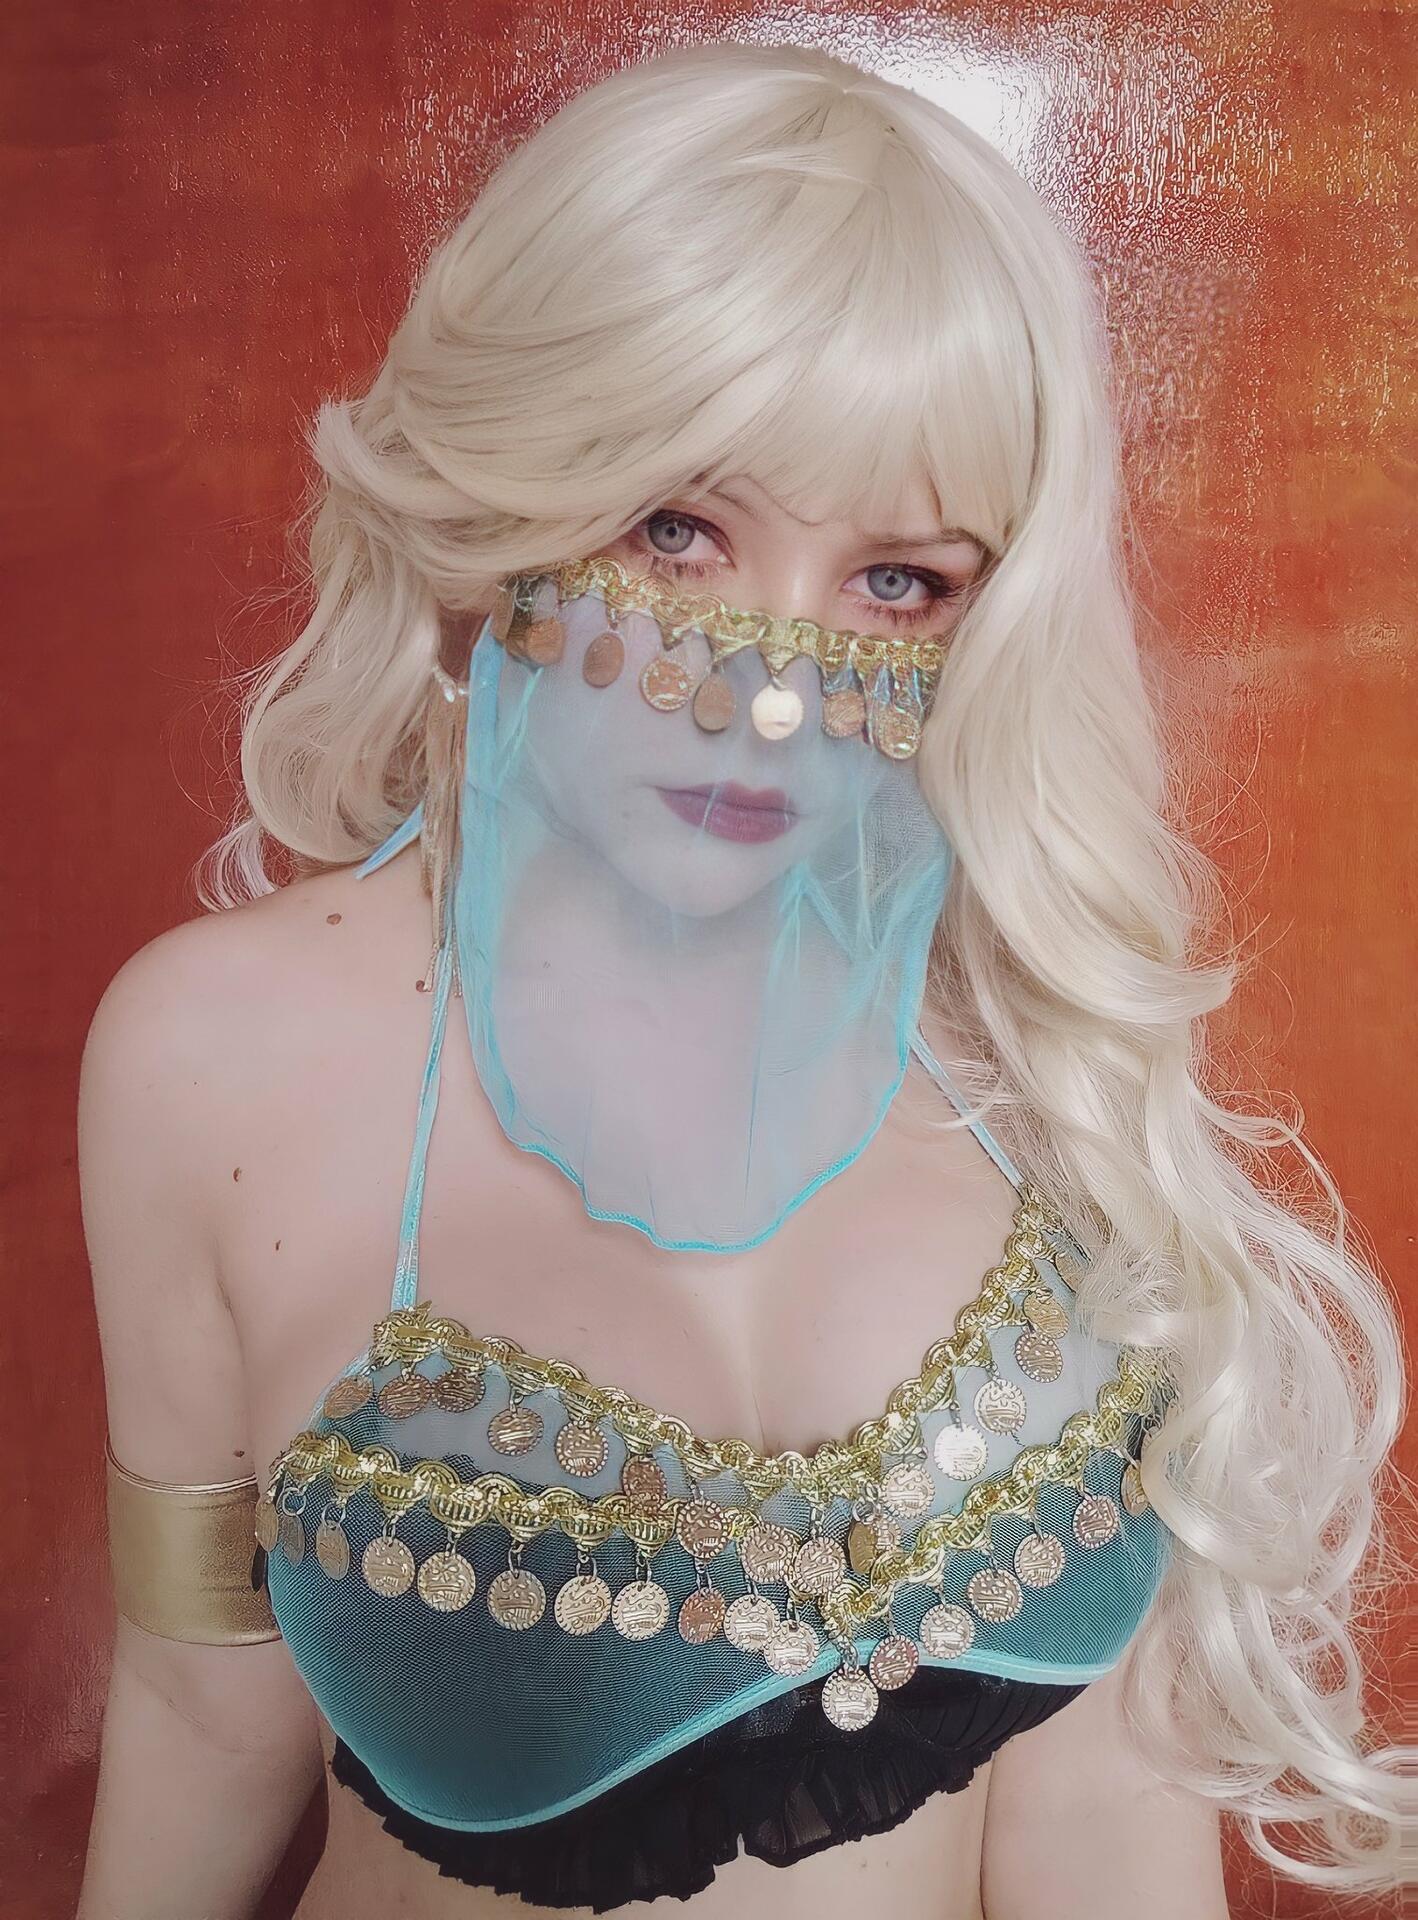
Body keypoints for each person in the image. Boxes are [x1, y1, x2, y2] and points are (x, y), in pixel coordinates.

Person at [76, 41, 1406, 1920]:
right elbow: (201, 1705)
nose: (771, 695)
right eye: (677, 533)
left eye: (895, 584)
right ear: (505, 503)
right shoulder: (212, 1057)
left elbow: (1104, 1819)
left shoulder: (1043, 1060)